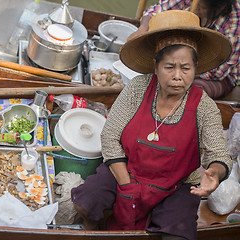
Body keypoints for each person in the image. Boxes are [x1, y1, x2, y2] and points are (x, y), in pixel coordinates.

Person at [71, 10, 233, 240]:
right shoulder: (138, 88)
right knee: (86, 201)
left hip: (176, 186)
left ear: (195, 69)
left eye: (186, 68)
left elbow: (219, 154)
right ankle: (94, 229)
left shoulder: (204, 107)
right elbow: (110, 136)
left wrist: (215, 174)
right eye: (169, 67)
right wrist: (127, 186)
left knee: (178, 235)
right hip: (128, 170)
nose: (178, 76)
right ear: (156, 67)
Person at [128, 0, 240, 99]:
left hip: (214, 76)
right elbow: (156, 10)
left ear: (219, 8)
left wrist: (178, 70)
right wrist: (142, 28)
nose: (196, 9)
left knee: (184, 93)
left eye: (201, 8)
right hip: (179, 58)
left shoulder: (235, 20)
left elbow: (219, 71)